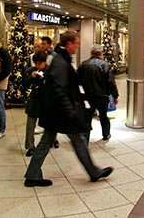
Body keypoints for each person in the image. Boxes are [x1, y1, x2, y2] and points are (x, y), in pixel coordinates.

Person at [25, 31, 113, 188]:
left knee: (57, 142)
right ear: (69, 44)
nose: (78, 46)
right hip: (59, 113)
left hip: (56, 112)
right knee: (68, 141)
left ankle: (33, 174)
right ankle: (93, 172)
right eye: (77, 43)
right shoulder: (60, 61)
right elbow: (59, 90)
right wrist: (71, 112)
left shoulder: (62, 58)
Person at [80, 46, 119, 140]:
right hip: (102, 96)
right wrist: (115, 96)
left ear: (91, 53)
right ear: (100, 54)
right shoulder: (105, 65)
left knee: (87, 117)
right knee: (103, 116)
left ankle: (85, 138)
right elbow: (110, 82)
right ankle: (106, 134)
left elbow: (77, 80)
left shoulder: (83, 65)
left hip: (87, 96)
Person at [23, 51, 54, 156]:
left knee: (49, 124)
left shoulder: (50, 71)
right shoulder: (32, 70)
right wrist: (32, 77)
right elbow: (25, 84)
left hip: (46, 101)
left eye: (39, 63)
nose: (37, 66)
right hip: (34, 100)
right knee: (30, 125)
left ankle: (52, 141)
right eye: (35, 63)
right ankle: (30, 146)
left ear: (44, 62)